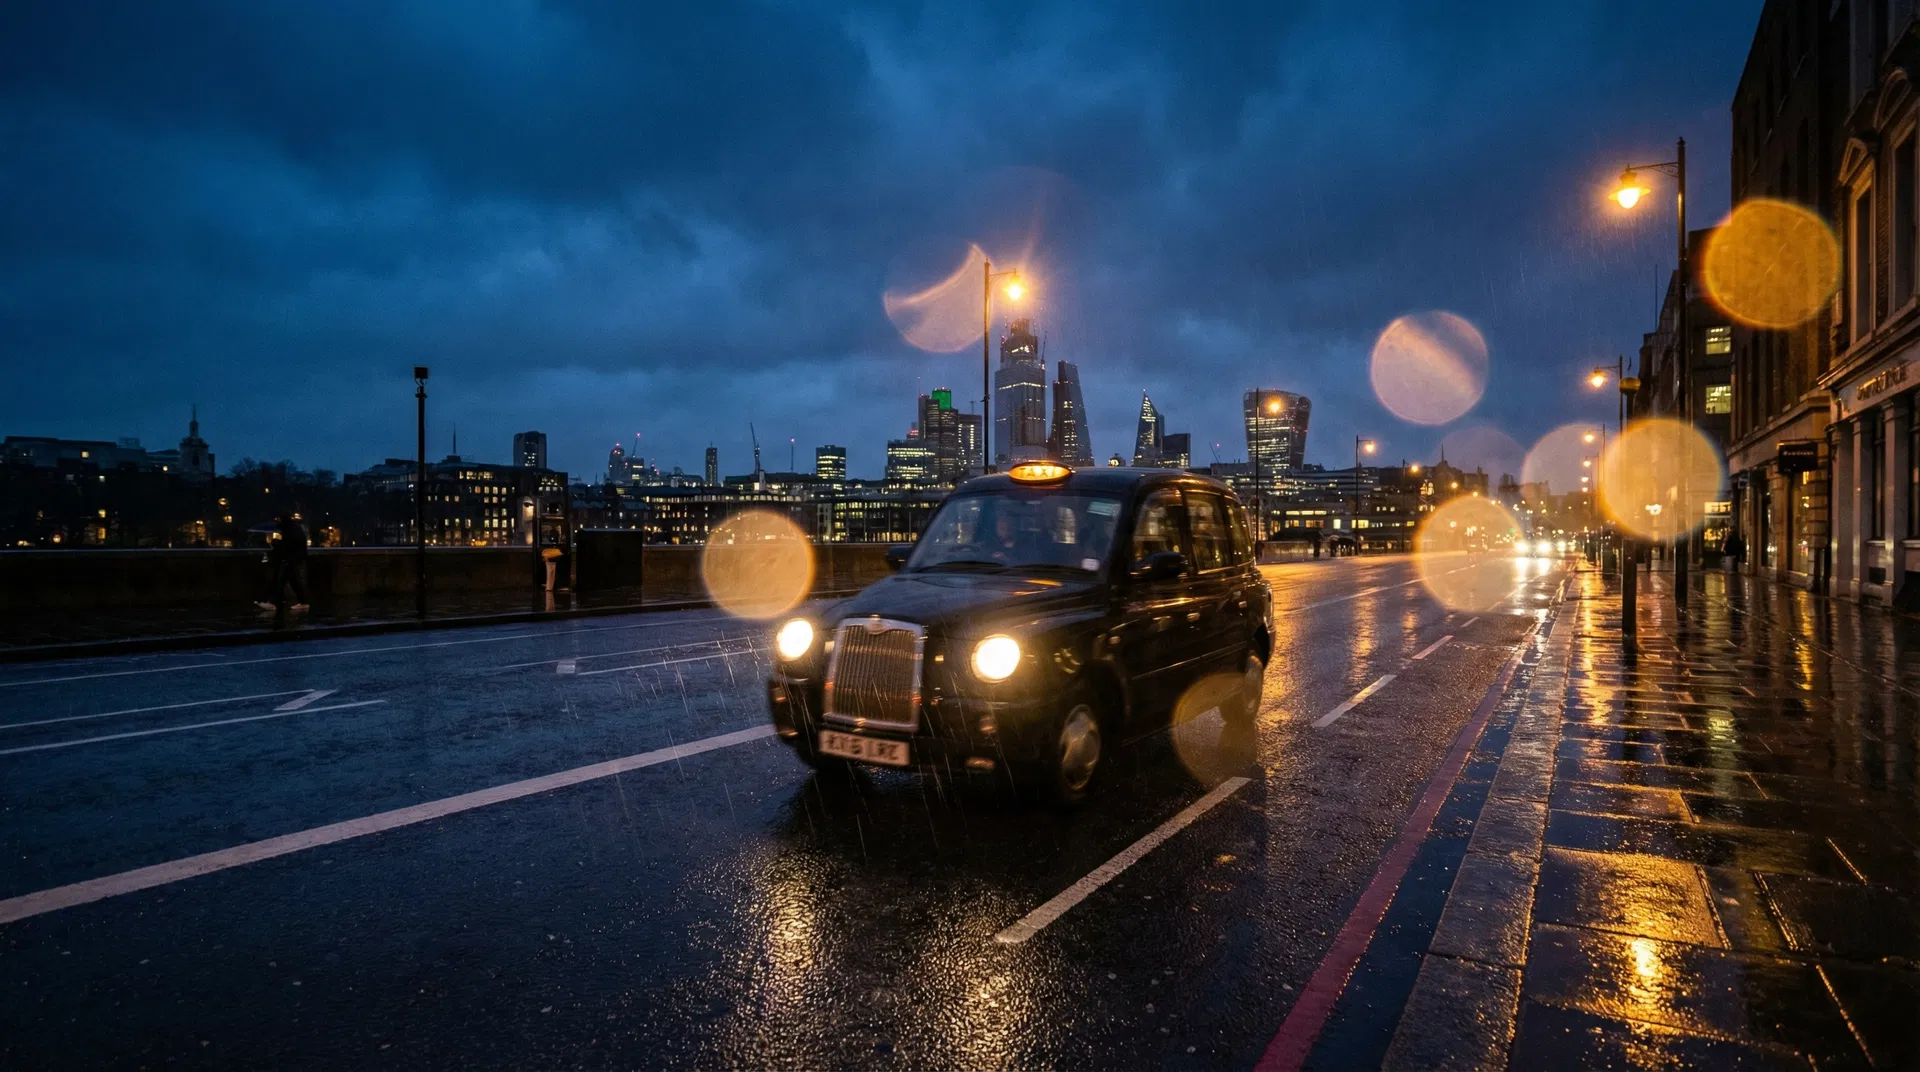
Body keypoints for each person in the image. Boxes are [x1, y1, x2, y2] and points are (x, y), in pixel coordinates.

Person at [257, 512, 310, 613]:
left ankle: (272, 603)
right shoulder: (294, 528)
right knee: (293, 581)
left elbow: (287, 544)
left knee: (281, 581)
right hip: (295, 558)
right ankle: (303, 602)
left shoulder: (289, 530)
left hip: (290, 558)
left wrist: (275, 542)